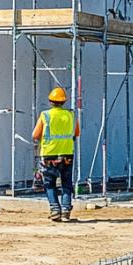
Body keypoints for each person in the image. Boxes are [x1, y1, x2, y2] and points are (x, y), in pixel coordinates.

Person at [33, 87, 79, 222]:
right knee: (66, 183)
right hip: (67, 154)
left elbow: (35, 135)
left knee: (49, 183)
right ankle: (65, 210)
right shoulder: (70, 115)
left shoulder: (45, 115)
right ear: (64, 101)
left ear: (50, 101)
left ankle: (55, 210)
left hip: (49, 155)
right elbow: (76, 133)